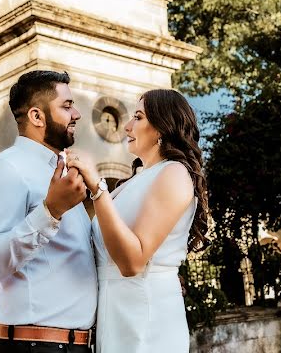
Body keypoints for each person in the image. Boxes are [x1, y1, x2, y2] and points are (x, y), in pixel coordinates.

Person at [66, 89, 209, 353]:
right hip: (116, 316)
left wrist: (97, 188)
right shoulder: (134, 182)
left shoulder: (174, 174)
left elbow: (132, 262)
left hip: (147, 319)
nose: (128, 126)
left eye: (138, 117)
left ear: (161, 129)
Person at [0, 70, 96, 352]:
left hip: (77, 345)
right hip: (32, 345)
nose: (76, 113)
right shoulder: (6, 169)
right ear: (37, 117)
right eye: (66, 106)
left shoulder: (61, 173)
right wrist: (50, 211)